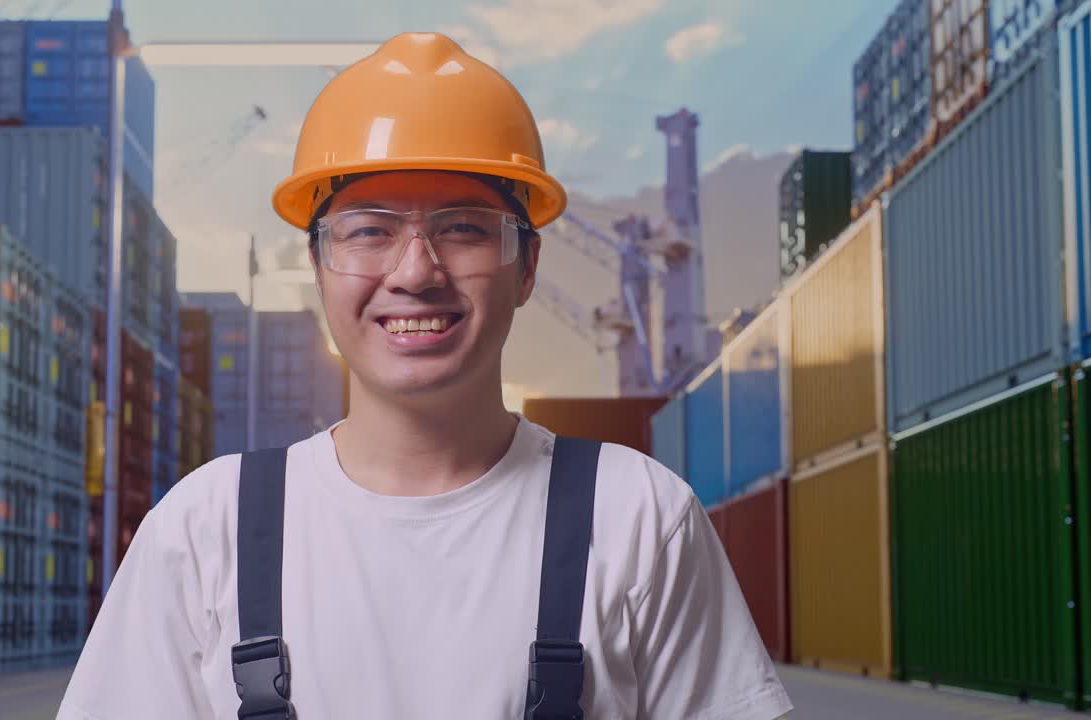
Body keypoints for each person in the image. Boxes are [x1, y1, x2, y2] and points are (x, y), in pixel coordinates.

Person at [57, 31, 794, 720]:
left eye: (464, 227)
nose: (415, 272)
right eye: (370, 230)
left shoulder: (639, 522)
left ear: (528, 265)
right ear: (315, 265)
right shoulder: (202, 531)